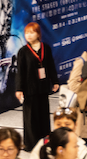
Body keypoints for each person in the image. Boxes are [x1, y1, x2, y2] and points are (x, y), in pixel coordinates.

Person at [16, 22, 59, 151]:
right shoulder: (23, 52)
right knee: (30, 117)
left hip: (43, 87)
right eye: (26, 33)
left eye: (31, 32)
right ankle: (31, 143)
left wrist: (55, 81)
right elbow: (20, 72)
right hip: (29, 89)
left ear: (38, 34)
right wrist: (19, 89)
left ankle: (45, 140)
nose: (28, 35)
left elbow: (50, 65)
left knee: (43, 114)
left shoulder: (46, 48)